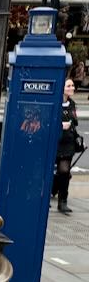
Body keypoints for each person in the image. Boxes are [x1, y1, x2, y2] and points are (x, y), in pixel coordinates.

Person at [54, 79, 81, 213]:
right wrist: (60, 126)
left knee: (64, 171)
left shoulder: (72, 104)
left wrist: (78, 138)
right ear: (62, 88)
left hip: (68, 143)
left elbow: (74, 123)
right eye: (69, 86)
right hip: (54, 142)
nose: (72, 88)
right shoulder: (54, 103)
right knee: (48, 172)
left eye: (72, 85)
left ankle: (62, 201)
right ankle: (46, 195)